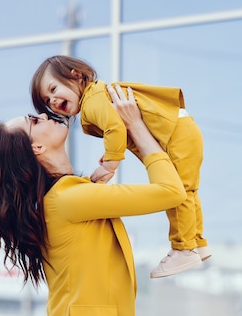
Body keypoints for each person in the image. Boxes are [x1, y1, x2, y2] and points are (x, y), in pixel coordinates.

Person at [0, 85, 186, 316]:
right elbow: (171, 192)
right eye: (33, 121)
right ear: (37, 147)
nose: (43, 116)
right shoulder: (69, 199)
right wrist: (135, 126)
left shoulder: (67, 196)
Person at [30, 55, 210, 278]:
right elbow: (118, 128)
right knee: (189, 191)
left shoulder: (91, 102)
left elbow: (114, 128)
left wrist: (110, 165)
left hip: (175, 134)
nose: (53, 101)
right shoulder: (97, 95)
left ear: (76, 76)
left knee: (180, 195)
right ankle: (198, 243)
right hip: (182, 130)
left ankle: (184, 248)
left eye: (54, 89)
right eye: (47, 100)